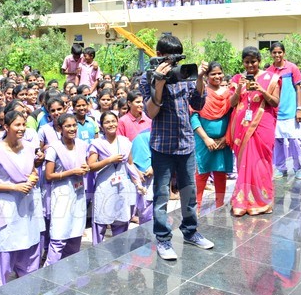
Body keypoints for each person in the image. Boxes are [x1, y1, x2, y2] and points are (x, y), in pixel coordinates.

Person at [139, 34, 214, 260]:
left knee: (189, 193)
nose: (174, 64)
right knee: (161, 196)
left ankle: (191, 232)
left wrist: (200, 79)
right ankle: (163, 239)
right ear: (160, 55)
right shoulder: (148, 77)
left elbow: (197, 104)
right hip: (162, 145)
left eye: (177, 59)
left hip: (185, 143)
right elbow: (151, 112)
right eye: (170, 59)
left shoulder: (184, 74)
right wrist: (159, 83)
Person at [0, 111, 43, 288]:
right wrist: (14, 187)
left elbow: (32, 172)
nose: (22, 129)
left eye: (23, 124)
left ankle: (27, 286)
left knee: (29, 243)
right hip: (5, 204)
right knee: (4, 249)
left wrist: (33, 178)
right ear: (6, 127)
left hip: (26, 203)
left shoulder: (29, 147)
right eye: (17, 125)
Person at [227, 47, 280, 216]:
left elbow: (275, 102)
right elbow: (232, 103)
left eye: (253, 61)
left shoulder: (272, 78)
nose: (250, 65)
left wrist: (262, 90)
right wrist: (238, 88)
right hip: (242, 126)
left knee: (261, 162)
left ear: (259, 60)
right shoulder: (237, 79)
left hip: (263, 125)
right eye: (247, 62)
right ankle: (242, 202)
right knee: (244, 163)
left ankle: (262, 202)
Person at [43, 113, 89, 265]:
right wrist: (71, 172)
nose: (72, 128)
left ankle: (70, 271)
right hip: (62, 194)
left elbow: (86, 164)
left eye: (74, 125)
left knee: (75, 234)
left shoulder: (82, 145)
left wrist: (85, 168)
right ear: (60, 128)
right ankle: (50, 273)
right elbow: (48, 175)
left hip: (79, 193)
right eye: (68, 126)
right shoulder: (54, 148)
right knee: (59, 236)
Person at [87, 111, 137, 244]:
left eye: (113, 121)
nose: (111, 124)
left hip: (122, 186)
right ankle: (97, 254)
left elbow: (130, 163)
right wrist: (109, 160)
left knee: (121, 219)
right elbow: (91, 166)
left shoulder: (125, 141)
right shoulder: (97, 143)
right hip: (105, 186)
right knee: (101, 221)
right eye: (107, 122)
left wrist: (138, 181)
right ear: (102, 126)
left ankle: (120, 253)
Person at [190, 62, 233, 210]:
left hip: (223, 142)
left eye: (219, 73)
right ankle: (196, 210)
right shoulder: (201, 93)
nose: (217, 76)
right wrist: (206, 139)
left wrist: (225, 138)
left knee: (221, 174)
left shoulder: (229, 93)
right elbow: (193, 117)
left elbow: (233, 117)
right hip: (204, 142)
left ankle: (220, 208)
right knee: (201, 174)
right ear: (207, 76)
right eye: (213, 74)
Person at [268, 43, 301, 180]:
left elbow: (299, 89)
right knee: (278, 142)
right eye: (274, 53)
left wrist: (299, 109)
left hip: (291, 112)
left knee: (294, 141)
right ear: (271, 54)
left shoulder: (292, 68)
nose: (277, 55)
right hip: (275, 113)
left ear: (284, 53)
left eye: (279, 52)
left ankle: (298, 168)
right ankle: (280, 168)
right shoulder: (269, 71)